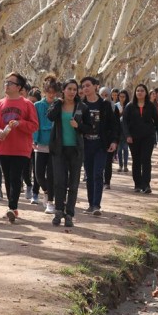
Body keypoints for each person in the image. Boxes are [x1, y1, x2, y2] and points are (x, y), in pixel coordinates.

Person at [0, 72, 39, 223]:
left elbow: (34, 126)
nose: (6, 85)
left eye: (10, 83)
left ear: (18, 87)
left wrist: (21, 123)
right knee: (8, 178)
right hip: (3, 147)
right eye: (6, 82)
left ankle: (12, 206)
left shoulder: (27, 104)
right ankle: (13, 208)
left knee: (16, 177)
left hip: (21, 149)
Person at [47, 78, 92, 227]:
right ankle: (59, 211)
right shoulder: (57, 105)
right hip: (59, 149)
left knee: (73, 183)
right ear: (64, 90)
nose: (72, 92)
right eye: (69, 89)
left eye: (74, 89)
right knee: (59, 182)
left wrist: (78, 125)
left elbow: (89, 128)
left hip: (75, 150)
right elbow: (50, 116)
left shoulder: (82, 107)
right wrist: (57, 103)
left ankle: (69, 214)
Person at [80, 76, 119, 215]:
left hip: (101, 144)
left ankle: (96, 205)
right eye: (83, 86)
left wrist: (114, 141)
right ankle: (91, 204)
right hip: (85, 144)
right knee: (89, 175)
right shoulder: (80, 105)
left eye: (88, 85)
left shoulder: (105, 105)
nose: (85, 88)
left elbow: (114, 125)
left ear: (96, 86)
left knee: (98, 173)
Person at [121, 84, 158, 194]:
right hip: (133, 138)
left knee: (146, 160)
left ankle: (146, 184)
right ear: (135, 93)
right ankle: (137, 184)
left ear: (145, 93)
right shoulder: (130, 106)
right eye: (138, 90)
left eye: (142, 90)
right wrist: (127, 136)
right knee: (136, 161)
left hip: (148, 137)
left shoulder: (150, 106)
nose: (139, 92)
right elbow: (124, 122)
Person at [32, 75, 58, 213]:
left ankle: (50, 202)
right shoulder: (37, 106)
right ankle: (47, 191)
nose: (51, 95)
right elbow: (35, 124)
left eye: (54, 92)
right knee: (38, 174)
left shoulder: (59, 104)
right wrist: (34, 139)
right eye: (49, 92)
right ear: (44, 91)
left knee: (52, 173)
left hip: (54, 144)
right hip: (40, 142)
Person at [115, 90, 130, 172]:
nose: (121, 98)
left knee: (125, 149)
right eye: (120, 96)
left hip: (126, 131)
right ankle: (120, 165)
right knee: (119, 150)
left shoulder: (128, 106)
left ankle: (125, 165)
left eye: (123, 96)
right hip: (118, 131)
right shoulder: (116, 106)